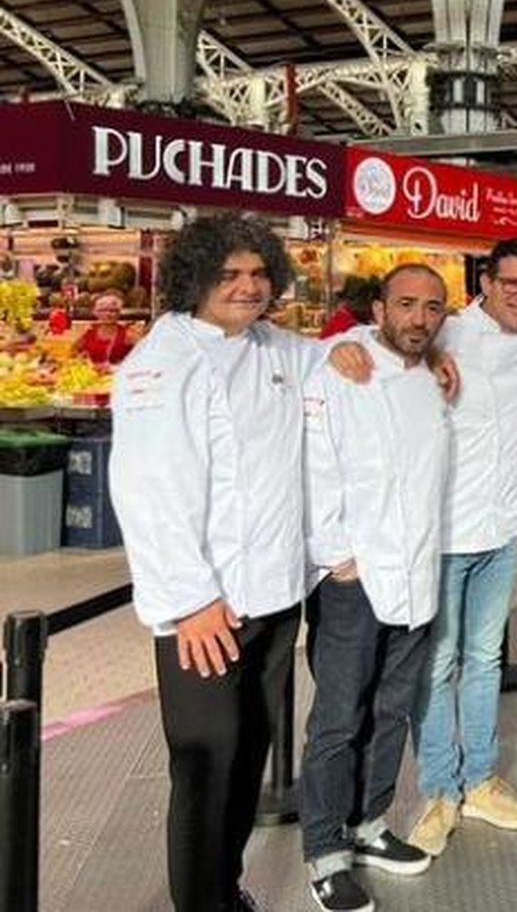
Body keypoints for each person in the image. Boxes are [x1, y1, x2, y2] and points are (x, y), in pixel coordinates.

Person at [109, 213, 324, 912]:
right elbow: (148, 490)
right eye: (230, 274)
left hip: (270, 597)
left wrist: (378, 354)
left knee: (248, 754)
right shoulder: (161, 362)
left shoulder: (275, 347)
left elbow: (345, 362)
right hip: (206, 610)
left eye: (259, 273)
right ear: (194, 276)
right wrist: (189, 600)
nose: (248, 286)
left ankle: (225, 889)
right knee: (206, 766)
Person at [298, 265, 453, 912]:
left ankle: (368, 823)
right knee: (338, 718)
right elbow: (315, 460)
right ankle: (326, 852)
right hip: (354, 579)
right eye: (407, 304)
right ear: (380, 308)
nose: (419, 318)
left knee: (392, 708)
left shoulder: (435, 375)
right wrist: (336, 553)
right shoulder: (340, 367)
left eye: (432, 308)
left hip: (417, 572)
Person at [405, 238, 517, 855]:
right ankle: (439, 787)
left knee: (484, 661)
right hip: (441, 533)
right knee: (437, 664)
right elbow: (369, 344)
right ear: (487, 282)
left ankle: (480, 779)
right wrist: (347, 356)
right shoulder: (445, 334)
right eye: (513, 284)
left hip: (499, 531)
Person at [73, 291, 140, 364]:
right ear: (95, 312)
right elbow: (72, 354)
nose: (108, 314)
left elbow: (143, 357)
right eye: (102, 310)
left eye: (112, 311)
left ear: (119, 313)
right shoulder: (87, 333)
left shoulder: (129, 334)